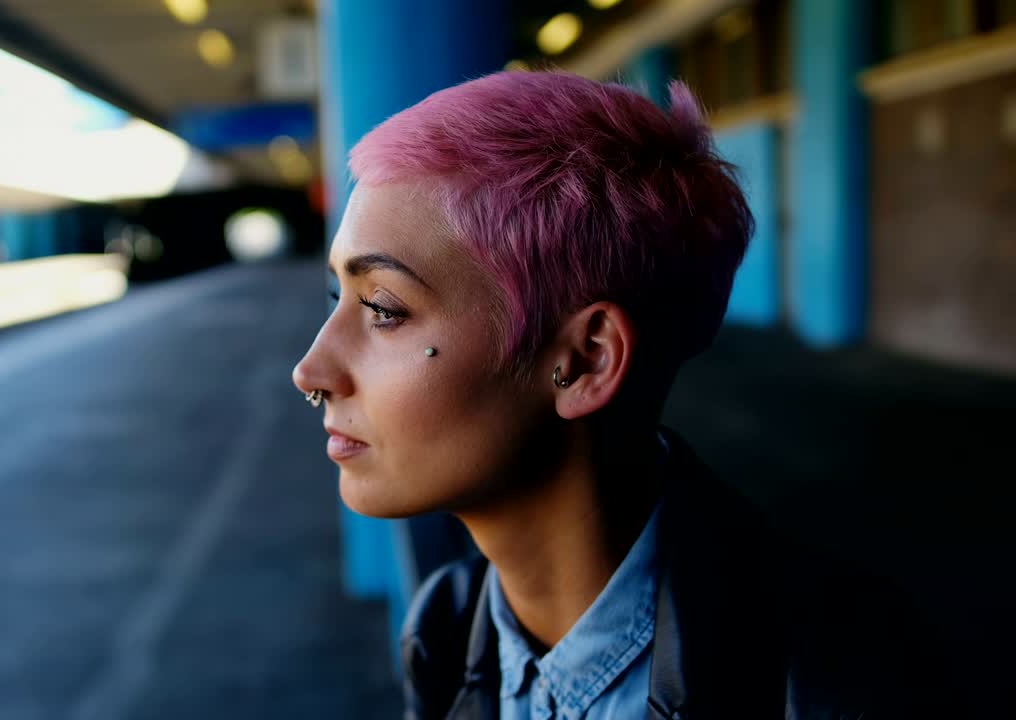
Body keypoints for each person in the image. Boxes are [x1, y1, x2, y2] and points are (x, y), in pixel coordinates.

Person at [292, 71, 936, 720]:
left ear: (585, 359)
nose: (310, 371)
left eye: (382, 307)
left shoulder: (830, 680)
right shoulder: (447, 626)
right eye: (335, 297)